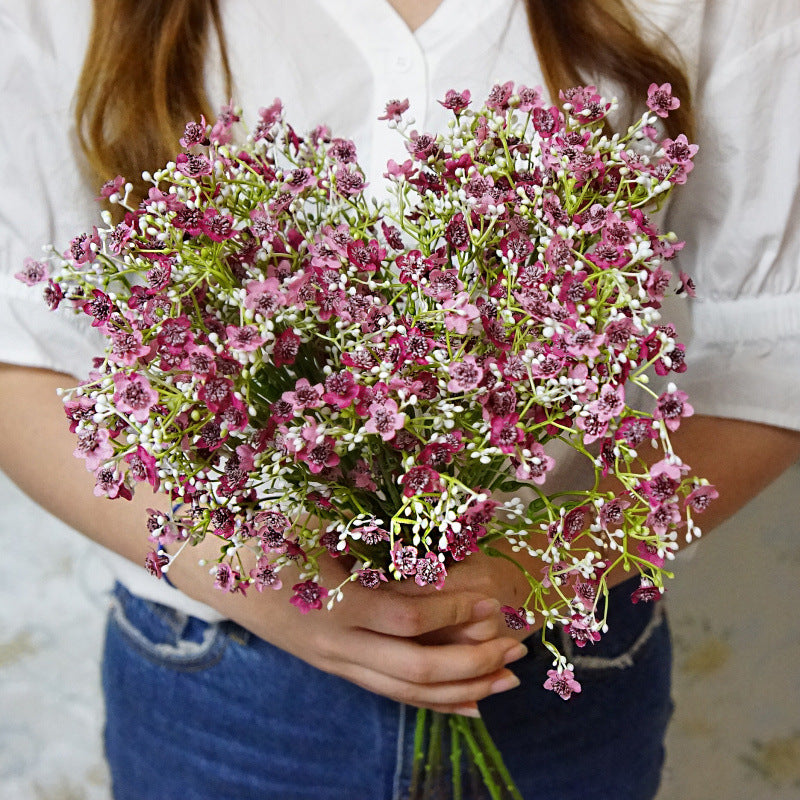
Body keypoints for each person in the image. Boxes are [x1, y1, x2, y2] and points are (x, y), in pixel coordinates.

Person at [1, 0, 798, 798]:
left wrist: (530, 569)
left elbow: (772, 351)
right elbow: (20, 351)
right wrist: (255, 576)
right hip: (223, 686)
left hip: (556, 665)